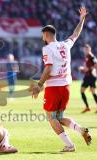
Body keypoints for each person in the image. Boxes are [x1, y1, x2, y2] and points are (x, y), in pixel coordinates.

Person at [29, 7, 91, 152]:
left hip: (54, 87)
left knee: (51, 118)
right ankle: (81, 130)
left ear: (46, 34)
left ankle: (70, 145)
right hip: (66, 87)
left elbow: (48, 68)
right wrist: (82, 19)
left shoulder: (47, 49)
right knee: (59, 117)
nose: (42, 38)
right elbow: (76, 34)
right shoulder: (65, 45)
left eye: (42, 36)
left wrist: (39, 84)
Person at [79, 44, 97, 113]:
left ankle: (88, 107)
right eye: (84, 49)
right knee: (92, 91)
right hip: (90, 76)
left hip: (90, 76)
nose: (85, 51)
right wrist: (84, 69)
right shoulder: (88, 57)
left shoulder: (91, 57)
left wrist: (87, 69)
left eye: (86, 49)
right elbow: (89, 66)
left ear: (89, 49)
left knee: (82, 91)